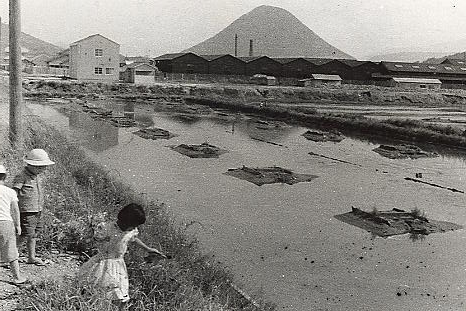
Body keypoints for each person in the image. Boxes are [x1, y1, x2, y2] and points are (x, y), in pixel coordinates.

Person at [78, 203, 166, 307]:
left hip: (119, 265)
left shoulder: (130, 231)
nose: (134, 228)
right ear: (126, 221)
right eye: (133, 225)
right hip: (103, 264)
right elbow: (94, 238)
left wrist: (147, 249)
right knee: (100, 290)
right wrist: (96, 236)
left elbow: (132, 238)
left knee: (119, 295)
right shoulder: (108, 228)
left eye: (135, 226)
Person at [13, 148, 55, 266]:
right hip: (26, 210)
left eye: (44, 167)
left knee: (34, 233)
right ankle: (9, 255)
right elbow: (14, 193)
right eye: (40, 167)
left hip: (37, 209)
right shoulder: (21, 176)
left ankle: (31, 257)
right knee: (24, 234)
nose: (43, 169)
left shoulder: (36, 176)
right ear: (30, 165)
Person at [0, 164, 27, 284]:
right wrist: (18, 225)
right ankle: (17, 277)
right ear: (4, 177)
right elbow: (15, 210)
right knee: (11, 250)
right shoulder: (10, 192)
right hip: (5, 222)